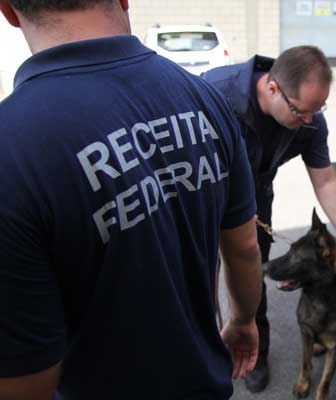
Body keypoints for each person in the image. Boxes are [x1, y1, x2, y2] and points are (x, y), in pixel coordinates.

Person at [0, 1, 262, 399]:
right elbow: (244, 246)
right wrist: (243, 320)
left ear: (8, 11)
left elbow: (25, 380)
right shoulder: (205, 98)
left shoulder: (12, 147)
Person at [203, 45, 336, 393]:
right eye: (302, 111)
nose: (310, 121)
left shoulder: (309, 118)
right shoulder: (214, 95)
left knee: (252, 270)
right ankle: (205, 354)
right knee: (200, 276)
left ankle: (254, 349)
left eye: (318, 110)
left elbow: (325, 179)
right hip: (206, 195)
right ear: (272, 90)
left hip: (257, 195)